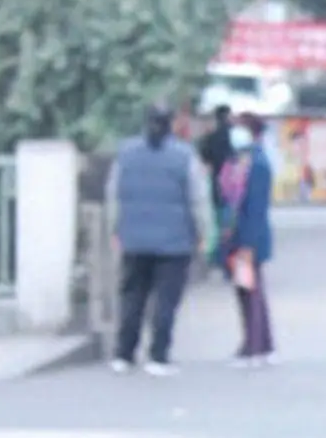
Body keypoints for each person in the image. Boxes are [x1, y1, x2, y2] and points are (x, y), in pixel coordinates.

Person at [108, 103, 209, 376]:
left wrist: (115, 230)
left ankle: (124, 354)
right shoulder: (184, 156)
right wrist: (202, 233)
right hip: (174, 243)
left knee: (132, 297)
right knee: (166, 300)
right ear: (171, 123)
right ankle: (158, 355)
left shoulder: (125, 154)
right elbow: (197, 199)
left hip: (134, 240)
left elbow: (113, 196)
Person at [223, 113, 276, 367]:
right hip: (240, 237)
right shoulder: (241, 161)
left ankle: (253, 346)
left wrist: (247, 244)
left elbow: (254, 208)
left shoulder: (255, 164)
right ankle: (262, 344)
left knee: (249, 291)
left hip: (247, 239)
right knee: (247, 291)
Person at [197, 105, 235, 262]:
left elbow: (203, 158)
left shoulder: (210, 137)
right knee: (230, 220)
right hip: (233, 183)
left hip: (216, 182)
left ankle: (217, 256)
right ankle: (230, 254)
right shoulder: (234, 136)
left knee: (217, 221)